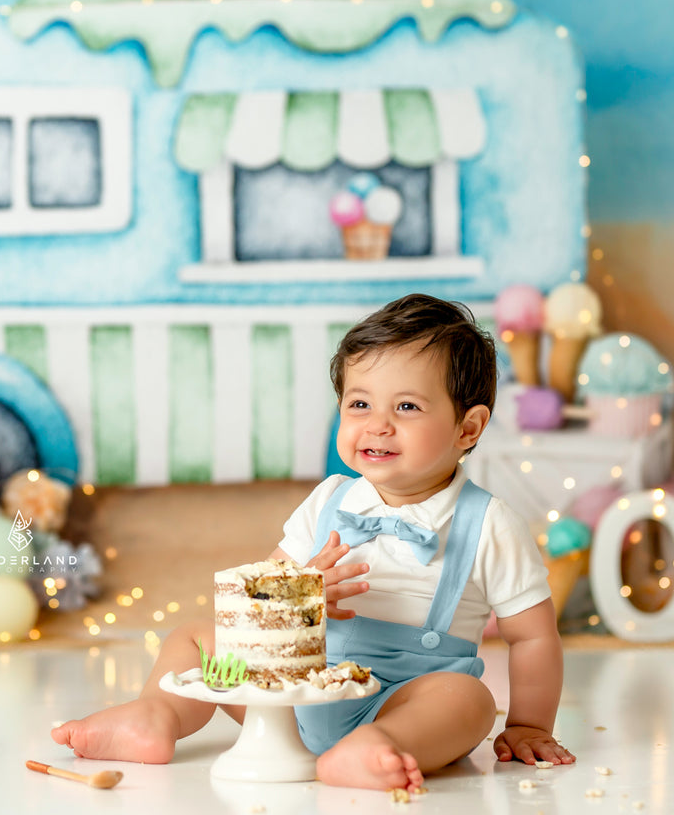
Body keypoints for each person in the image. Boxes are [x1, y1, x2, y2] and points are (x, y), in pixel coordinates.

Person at [53, 293, 573, 791]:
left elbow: (532, 637)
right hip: (289, 695)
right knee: (195, 637)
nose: (378, 425)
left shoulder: (489, 523)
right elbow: (259, 595)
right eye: (360, 403)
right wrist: (298, 601)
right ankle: (155, 716)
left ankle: (377, 746)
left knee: (469, 699)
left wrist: (528, 724)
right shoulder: (330, 500)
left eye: (408, 407)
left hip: (402, 698)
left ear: (468, 427)